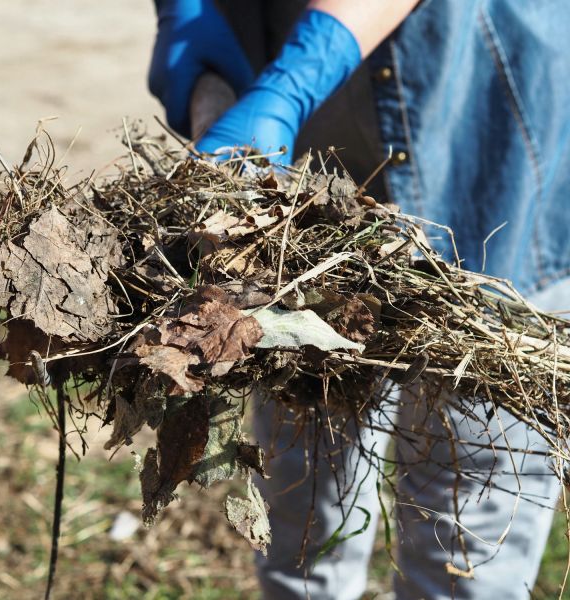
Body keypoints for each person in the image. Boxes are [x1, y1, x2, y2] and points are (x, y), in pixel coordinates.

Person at [148, 1, 570, 598]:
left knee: (467, 542)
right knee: (304, 519)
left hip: (483, 135)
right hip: (318, 167)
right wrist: (189, 13)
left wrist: (293, 81)